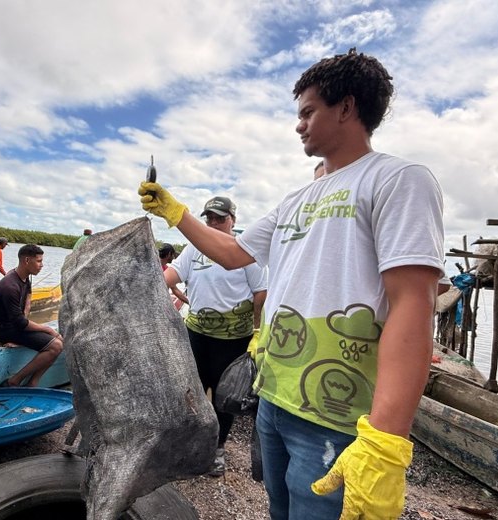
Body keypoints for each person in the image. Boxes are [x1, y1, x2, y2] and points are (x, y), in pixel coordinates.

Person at [139, 49, 444, 519]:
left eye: (307, 112)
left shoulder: (398, 180)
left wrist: (385, 439)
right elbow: (231, 252)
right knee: (279, 510)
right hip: (274, 400)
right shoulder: (296, 197)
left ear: (345, 107)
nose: (299, 125)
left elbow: (412, 304)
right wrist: (174, 212)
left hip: (338, 415)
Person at [163, 196, 267, 477]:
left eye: (220, 218)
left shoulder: (244, 250)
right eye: (209, 218)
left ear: (233, 219)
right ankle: (192, 446)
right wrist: (148, 280)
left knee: (224, 398)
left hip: (232, 340)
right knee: (191, 392)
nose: (213, 223)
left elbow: (261, 293)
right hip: (196, 334)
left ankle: (218, 449)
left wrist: (258, 332)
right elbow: (170, 276)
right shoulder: (193, 249)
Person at [0, 244, 63, 387]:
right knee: (55, 346)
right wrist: (47, 329)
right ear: (26, 261)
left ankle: (33, 382)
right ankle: (16, 380)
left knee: (58, 338)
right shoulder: (10, 286)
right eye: (39, 261)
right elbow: (19, 322)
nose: (41, 265)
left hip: (16, 327)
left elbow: (27, 303)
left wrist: (28, 326)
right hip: (5, 330)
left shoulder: (24, 278)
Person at [159, 243, 188, 308]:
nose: (174, 258)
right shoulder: (165, 270)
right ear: (169, 254)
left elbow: (174, 290)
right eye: (173, 255)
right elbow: (175, 290)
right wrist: (190, 303)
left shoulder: (165, 268)